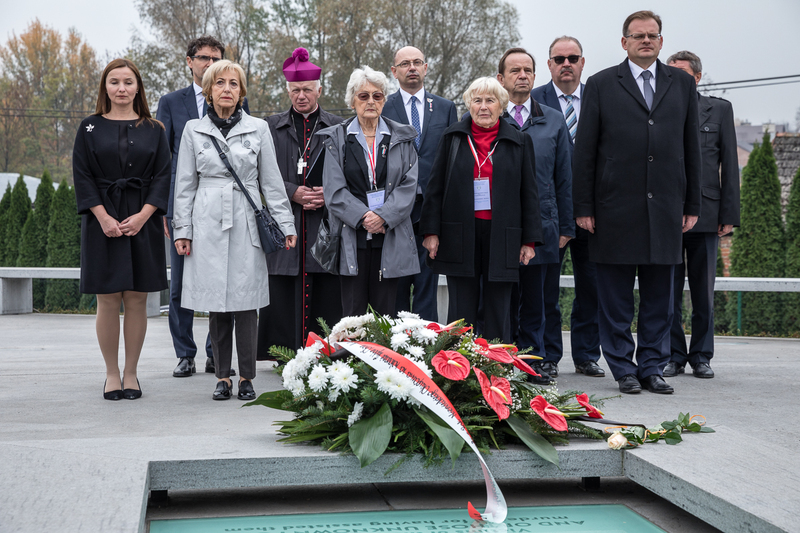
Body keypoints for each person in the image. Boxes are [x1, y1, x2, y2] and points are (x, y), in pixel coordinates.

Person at [572, 11, 701, 395]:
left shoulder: (681, 83)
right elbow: (585, 151)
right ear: (624, 42)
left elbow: (691, 147)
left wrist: (692, 204)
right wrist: (584, 207)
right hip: (614, 209)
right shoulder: (601, 84)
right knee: (615, 299)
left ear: (660, 41)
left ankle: (651, 367)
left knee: (660, 299)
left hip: (665, 209)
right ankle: (623, 369)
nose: (646, 40)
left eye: (652, 35)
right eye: (638, 35)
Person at [172, 60, 297, 401]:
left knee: (246, 300)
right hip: (207, 219)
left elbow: (271, 182)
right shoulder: (193, 130)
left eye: (233, 83)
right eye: (219, 83)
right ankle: (222, 377)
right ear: (209, 91)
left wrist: (286, 223)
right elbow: (184, 184)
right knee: (216, 302)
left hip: (246, 218)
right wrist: (183, 230)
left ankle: (247, 377)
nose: (226, 89)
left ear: (241, 91)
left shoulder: (258, 128)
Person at [72, 58, 171, 401]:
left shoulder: (155, 129)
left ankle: (131, 373)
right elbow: (82, 175)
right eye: (114, 82)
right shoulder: (89, 127)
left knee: (137, 298)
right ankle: (111, 374)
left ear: (138, 87)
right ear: (105, 87)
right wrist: (102, 217)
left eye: (128, 82)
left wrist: (144, 216)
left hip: (143, 219)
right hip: (102, 219)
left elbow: (163, 176)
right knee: (108, 298)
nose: (122, 88)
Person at [420, 77, 543, 343]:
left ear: (502, 105)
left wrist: (529, 240)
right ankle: (459, 363)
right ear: (469, 105)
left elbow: (530, 194)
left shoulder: (520, 141)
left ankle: (496, 363)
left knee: (499, 308)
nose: (483, 107)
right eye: (477, 100)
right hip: (459, 233)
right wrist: (431, 232)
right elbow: (434, 187)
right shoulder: (452, 137)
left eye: (490, 100)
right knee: (460, 310)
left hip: (503, 234)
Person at [157, 35, 248, 378]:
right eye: (204, 58)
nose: (209, 63)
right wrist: (167, 210)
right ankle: (185, 353)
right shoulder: (171, 103)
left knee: (222, 281)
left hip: (226, 208)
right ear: (190, 61)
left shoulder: (236, 100)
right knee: (181, 285)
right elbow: (164, 162)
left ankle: (216, 353)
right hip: (184, 207)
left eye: (216, 58)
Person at [257, 48, 344, 358]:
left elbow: (350, 172)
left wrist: (326, 193)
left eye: (307, 89)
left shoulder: (338, 126)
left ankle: (323, 351)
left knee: (325, 290)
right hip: (286, 223)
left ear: (319, 90)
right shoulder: (270, 127)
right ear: (288, 91)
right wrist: (292, 191)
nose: (301, 96)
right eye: (295, 90)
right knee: (283, 288)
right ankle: (283, 354)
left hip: (324, 223)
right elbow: (257, 174)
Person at [318, 66, 420, 317]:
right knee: (353, 315)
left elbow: (409, 185)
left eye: (377, 96)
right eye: (363, 96)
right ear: (352, 101)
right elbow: (334, 191)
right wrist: (365, 217)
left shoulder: (402, 137)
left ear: (384, 100)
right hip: (351, 237)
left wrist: (383, 216)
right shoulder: (336, 138)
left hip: (389, 236)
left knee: (385, 316)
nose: (371, 101)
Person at [497, 47, 573, 384]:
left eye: (527, 70)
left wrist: (565, 226)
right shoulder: (489, 116)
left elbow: (564, 177)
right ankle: (499, 358)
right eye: (515, 70)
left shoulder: (552, 120)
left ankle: (536, 360)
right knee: (501, 298)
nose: (522, 75)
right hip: (498, 226)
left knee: (539, 300)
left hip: (542, 225)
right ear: (501, 78)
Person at [532, 36, 605, 379]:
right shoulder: (534, 101)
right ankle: (547, 355)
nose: (566, 64)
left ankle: (587, 355)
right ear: (549, 64)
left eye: (572, 58)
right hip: (549, 213)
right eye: (559, 59)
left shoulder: (600, 99)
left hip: (592, 212)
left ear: (582, 62)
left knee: (592, 287)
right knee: (545, 289)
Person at [665, 50, 740, 380]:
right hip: (666, 216)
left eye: (682, 73)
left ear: (696, 77)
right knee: (667, 295)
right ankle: (673, 356)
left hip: (707, 214)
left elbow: (730, 165)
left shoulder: (719, 110)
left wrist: (729, 214)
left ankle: (701, 356)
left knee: (703, 294)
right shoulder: (656, 111)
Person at [382, 46, 458, 322]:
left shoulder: (446, 108)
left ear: (426, 68)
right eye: (405, 64)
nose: (411, 67)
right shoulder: (383, 107)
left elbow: (453, 160)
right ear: (394, 72)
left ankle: (426, 342)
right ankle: (396, 343)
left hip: (431, 210)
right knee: (396, 287)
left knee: (428, 284)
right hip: (394, 211)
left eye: (417, 62)